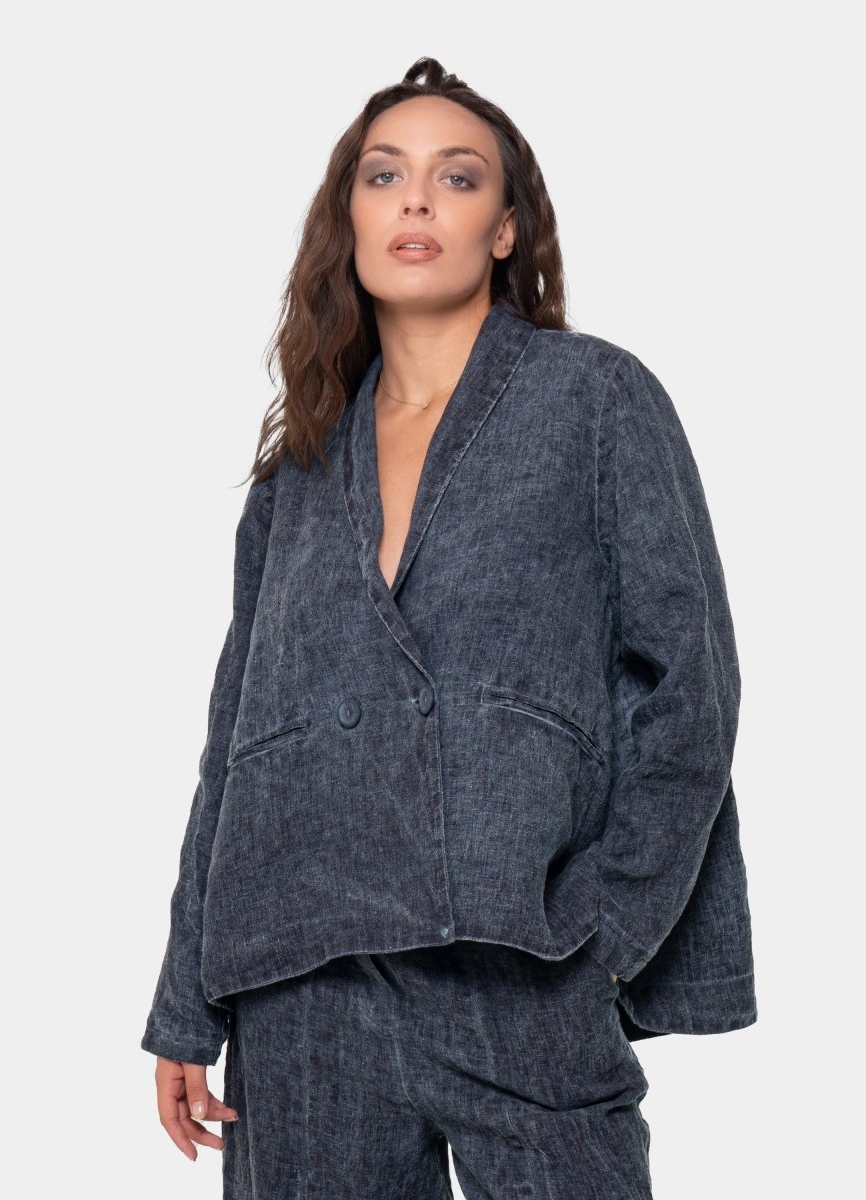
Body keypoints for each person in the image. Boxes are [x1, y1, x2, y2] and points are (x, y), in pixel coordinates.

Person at [141, 56, 757, 1198]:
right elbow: (237, 746)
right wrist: (186, 1000)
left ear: (505, 229)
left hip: (520, 964)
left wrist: (605, 933)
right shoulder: (298, 471)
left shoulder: (593, 399)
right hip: (307, 989)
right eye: (384, 175)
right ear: (351, 219)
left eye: (457, 177)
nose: (416, 200)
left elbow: (691, 686)